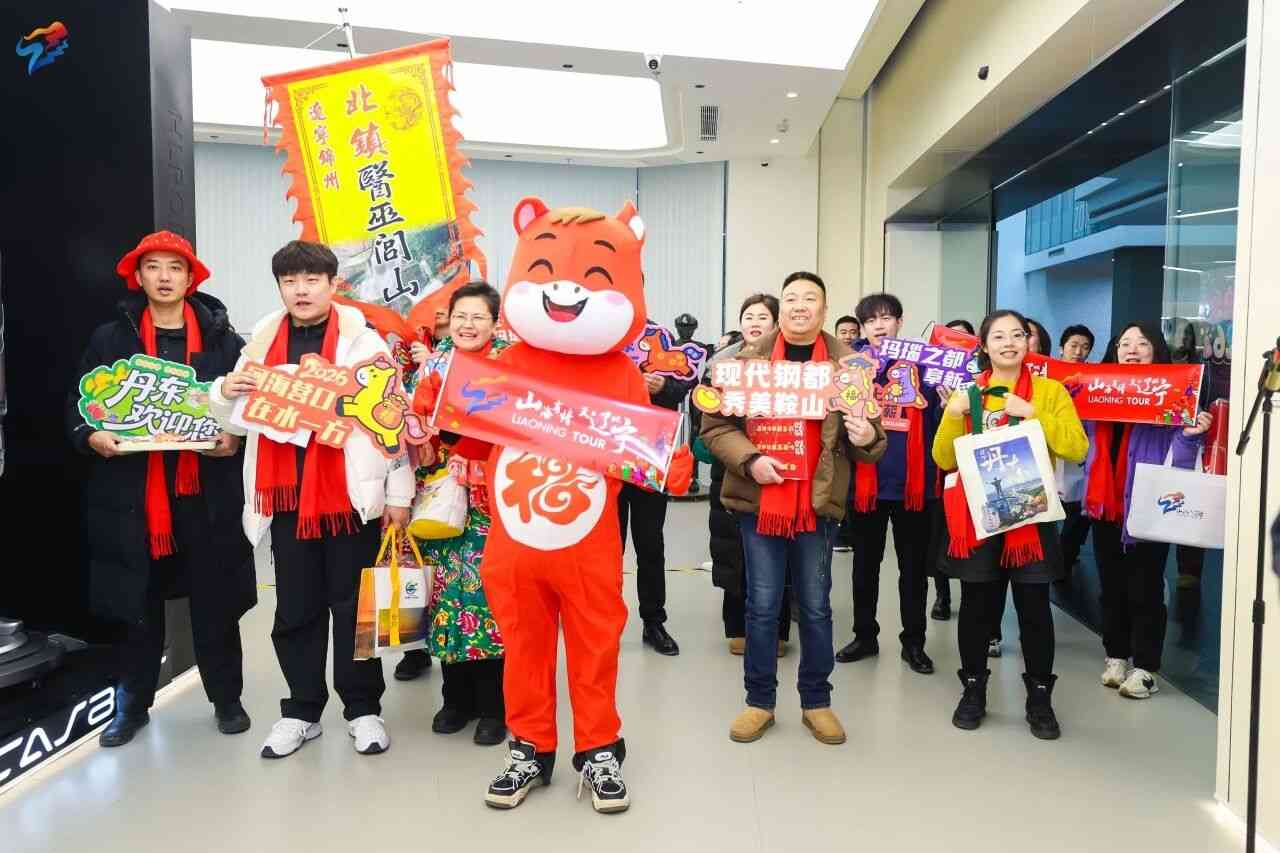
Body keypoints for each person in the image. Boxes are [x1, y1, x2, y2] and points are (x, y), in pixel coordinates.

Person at [474, 198, 692, 814]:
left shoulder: (622, 373)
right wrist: (433, 409)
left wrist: (669, 464)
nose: (566, 290)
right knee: (524, 645)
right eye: (545, 270)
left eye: (595, 276)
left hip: (589, 541)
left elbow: (642, 454)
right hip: (515, 541)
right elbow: (468, 437)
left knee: (596, 646)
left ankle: (598, 749)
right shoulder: (505, 364)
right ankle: (529, 746)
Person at [210, 240, 414, 759]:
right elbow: (237, 422)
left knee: (354, 609)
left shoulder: (364, 343)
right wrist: (225, 392)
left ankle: (363, 709)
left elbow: (391, 421)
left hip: (351, 496)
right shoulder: (261, 341)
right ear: (280, 287)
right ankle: (301, 711)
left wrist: (399, 493)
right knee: (295, 610)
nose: (300, 290)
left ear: (332, 284)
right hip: (286, 499)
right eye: (290, 281)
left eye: (311, 279)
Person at [68, 231, 255, 747]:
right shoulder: (111, 339)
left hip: (205, 493)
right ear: (139, 276)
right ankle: (131, 706)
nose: (165, 277)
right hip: (135, 496)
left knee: (215, 603)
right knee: (137, 604)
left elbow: (246, 410)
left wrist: (233, 438)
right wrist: (91, 435)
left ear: (191, 277)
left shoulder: (223, 340)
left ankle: (227, 699)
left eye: (176, 267)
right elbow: (79, 404)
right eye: (154, 266)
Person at [703, 271, 887, 746]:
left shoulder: (851, 366)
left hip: (818, 503)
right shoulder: (744, 362)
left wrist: (867, 435)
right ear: (780, 308)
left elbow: (871, 440)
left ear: (824, 309)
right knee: (762, 606)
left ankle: (816, 702)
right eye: (791, 298)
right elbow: (715, 427)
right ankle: (759, 701)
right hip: (760, 499)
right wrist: (751, 460)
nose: (800, 306)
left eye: (810, 298)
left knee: (816, 606)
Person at [934, 309, 1088, 740]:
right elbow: (943, 458)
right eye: (998, 336)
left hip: (1031, 516)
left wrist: (1033, 412)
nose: (1009, 343)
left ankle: (1039, 697)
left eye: (1017, 335)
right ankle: (973, 689)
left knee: (1034, 609)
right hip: (980, 516)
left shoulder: (1050, 391)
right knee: (977, 608)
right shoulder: (968, 393)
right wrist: (953, 414)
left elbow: (1077, 447)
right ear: (984, 346)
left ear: (1029, 343)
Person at [1084, 322, 1212, 699]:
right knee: (1111, 588)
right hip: (1104, 507)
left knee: (1145, 589)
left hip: (1148, 507)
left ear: (1156, 350)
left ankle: (1145, 667)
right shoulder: (1098, 395)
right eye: (1124, 343)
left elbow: (1182, 460)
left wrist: (1190, 434)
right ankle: (1116, 655)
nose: (1132, 349)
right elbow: (1078, 439)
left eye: (1142, 343)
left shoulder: (1171, 396)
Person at [408, 282, 509, 744]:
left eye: (478, 317)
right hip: (443, 496)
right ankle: (455, 699)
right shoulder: (433, 365)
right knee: (446, 596)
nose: (468, 325)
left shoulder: (511, 365)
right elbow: (414, 423)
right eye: (461, 316)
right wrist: (424, 437)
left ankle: (494, 705)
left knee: (488, 597)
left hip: (495, 498)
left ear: (495, 322)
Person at [836, 293, 939, 676]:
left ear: (900, 321)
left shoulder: (926, 364)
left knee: (913, 570)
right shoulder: (850, 365)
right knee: (864, 566)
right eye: (871, 320)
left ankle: (914, 642)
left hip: (914, 482)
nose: (879, 325)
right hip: (866, 483)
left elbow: (943, 415)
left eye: (886, 317)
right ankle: (865, 635)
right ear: (862, 328)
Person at [697, 294, 792, 656]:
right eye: (748, 316)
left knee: (779, 550)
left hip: (781, 466)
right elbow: (708, 419)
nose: (754, 322)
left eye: (763, 317)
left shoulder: (791, 365)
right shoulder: (721, 364)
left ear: (776, 324)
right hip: (731, 467)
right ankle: (736, 626)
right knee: (732, 549)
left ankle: (778, 629)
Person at [618, 319, 696, 656]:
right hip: (606, 458)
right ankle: (603, 621)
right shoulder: (598, 338)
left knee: (650, 544)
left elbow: (685, 386)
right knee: (607, 550)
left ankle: (653, 622)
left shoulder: (659, 337)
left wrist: (663, 385)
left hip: (651, 456)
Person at [1056, 324, 1096, 581]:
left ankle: (1065, 560)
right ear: (1062, 348)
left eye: (1085, 347)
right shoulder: (1049, 376)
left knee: (1078, 511)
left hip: (1080, 450)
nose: (1079, 351)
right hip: (1052, 449)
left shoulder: (1094, 379)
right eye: (1073, 345)